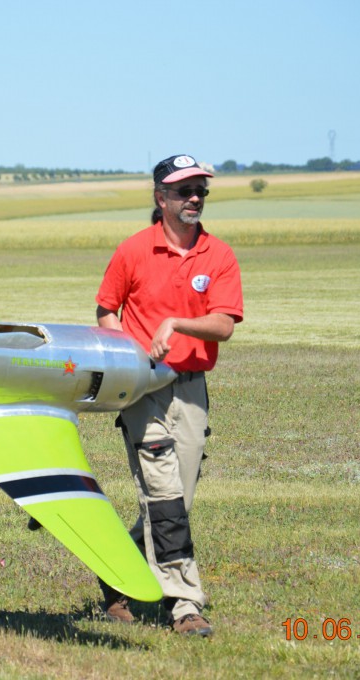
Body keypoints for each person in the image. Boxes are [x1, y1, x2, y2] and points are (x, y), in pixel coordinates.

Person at [94, 154, 243, 637]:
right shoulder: (133, 250)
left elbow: (224, 325)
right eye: (184, 191)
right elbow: (105, 310)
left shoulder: (219, 255)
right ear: (161, 198)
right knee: (163, 494)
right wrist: (128, 355)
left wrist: (176, 323)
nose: (194, 198)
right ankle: (184, 605)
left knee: (177, 500)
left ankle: (115, 570)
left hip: (192, 388)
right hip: (143, 388)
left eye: (200, 190)